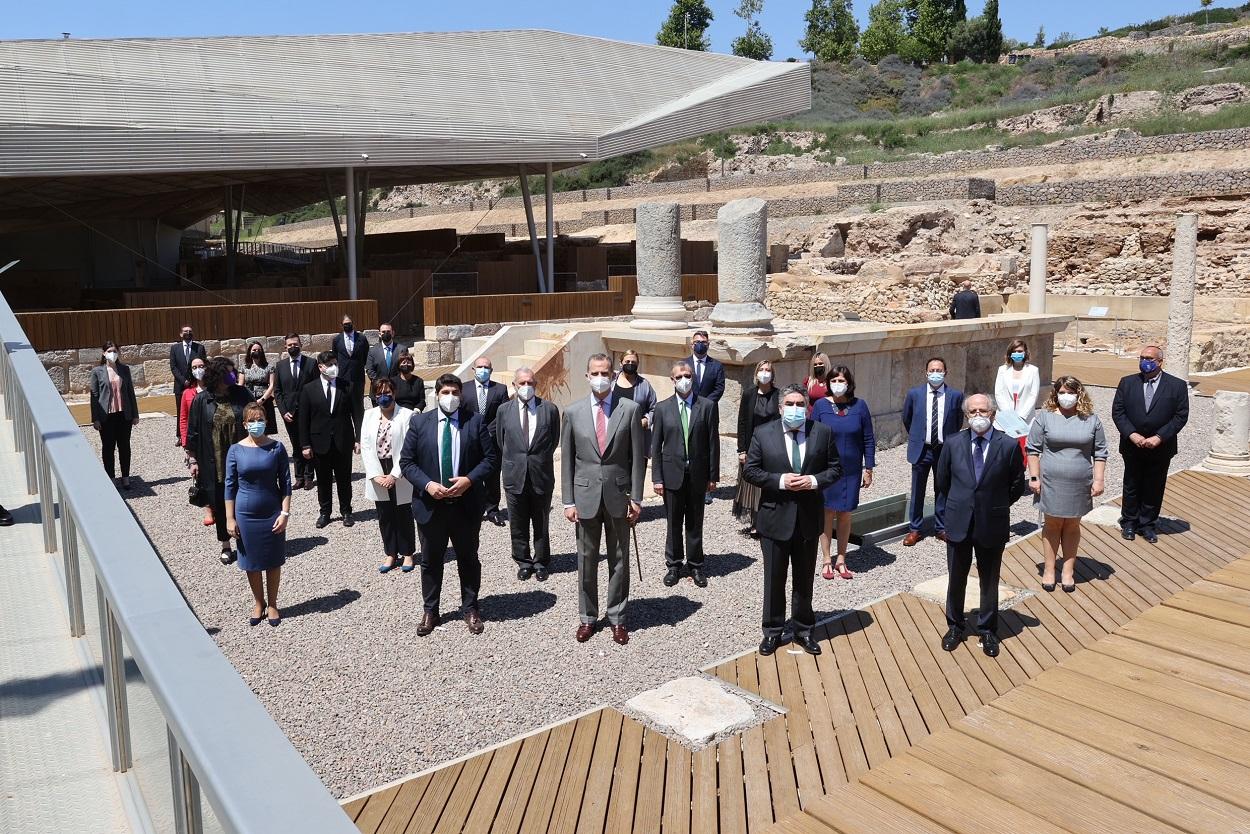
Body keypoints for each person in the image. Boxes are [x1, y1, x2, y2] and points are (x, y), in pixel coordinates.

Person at [743, 384, 842, 657]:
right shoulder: (764, 434)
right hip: (775, 518)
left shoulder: (822, 433)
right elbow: (750, 471)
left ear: (808, 408)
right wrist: (780, 481)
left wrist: (813, 481)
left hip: (808, 519)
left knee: (804, 579)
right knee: (774, 579)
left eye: (801, 404)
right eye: (790, 404)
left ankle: (803, 629)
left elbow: (835, 469)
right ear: (780, 407)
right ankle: (773, 631)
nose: (796, 409)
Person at [400, 374, 499, 637]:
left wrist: (469, 479)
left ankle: (471, 608)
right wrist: (428, 485)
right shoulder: (420, 422)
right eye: (445, 392)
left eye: (455, 392)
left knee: (468, 558)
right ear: (437, 394)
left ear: (461, 395)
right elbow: (407, 463)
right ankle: (431, 610)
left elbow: (489, 459)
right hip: (431, 505)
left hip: (465, 506)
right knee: (431, 561)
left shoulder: (474, 422)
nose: (451, 397)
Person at [562, 354, 645, 646]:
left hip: (618, 495)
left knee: (620, 559)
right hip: (584, 496)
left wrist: (637, 497)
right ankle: (587, 617)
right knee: (586, 560)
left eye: (605, 372)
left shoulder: (630, 409)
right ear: (587, 376)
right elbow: (567, 461)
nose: (600, 377)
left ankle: (618, 618)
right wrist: (567, 501)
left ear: (613, 375)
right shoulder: (572, 412)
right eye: (595, 372)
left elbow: (637, 458)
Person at [936, 394, 1027, 658]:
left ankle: (987, 629)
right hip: (959, 521)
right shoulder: (953, 443)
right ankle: (955, 625)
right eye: (973, 411)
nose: (978, 415)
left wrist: (994, 504)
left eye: (983, 411)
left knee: (989, 580)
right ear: (966, 415)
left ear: (993, 413)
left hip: (992, 521)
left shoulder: (1008, 445)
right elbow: (943, 481)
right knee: (956, 577)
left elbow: (1015, 485)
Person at [1027, 376, 1108, 593]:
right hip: (1051, 481)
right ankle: (1050, 569)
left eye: (1070, 392)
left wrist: (1099, 479)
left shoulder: (1091, 420)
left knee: (1072, 525)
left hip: (1080, 481)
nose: (1066, 397)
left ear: (1079, 394)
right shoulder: (1044, 417)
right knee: (1052, 524)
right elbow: (1032, 449)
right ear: (1055, 394)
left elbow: (1100, 452)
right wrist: (1034, 477)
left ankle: (1068, 570)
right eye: (1061, 392)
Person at [1111, 345, 1189, 544]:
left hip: (1160, 446)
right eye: (1142, 357)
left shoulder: (1176, 386)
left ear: (1160, 362)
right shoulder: (1127, 383)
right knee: (1131, 483)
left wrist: (1159, 437)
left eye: (1149, 358)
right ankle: (1129, 521)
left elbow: (1180, 416)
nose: (1144, 361)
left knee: (1154, 485)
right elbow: (1118, 412)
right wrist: (1132, 434)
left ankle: (1148, 524)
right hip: (1132, 445)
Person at [652, 360, 720, 588]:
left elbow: (713, 442)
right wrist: (657, 477)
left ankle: (696, 565)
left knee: (694, 522)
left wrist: (713, 475)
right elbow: (656, 446)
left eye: (688, 375)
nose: (684, 380)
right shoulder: (662, 409)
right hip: (672, 474)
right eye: (679, 376)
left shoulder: (707, 406)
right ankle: (674, 564)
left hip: (698, 475)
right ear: (672, 380)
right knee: (673, 521)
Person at [225, 402, 292, 627]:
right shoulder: (235, 450)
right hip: (245, 513)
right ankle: (258, 601)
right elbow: (229, 485)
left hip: (272, 511)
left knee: (273, 560)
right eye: (251, 421)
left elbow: (286, 483)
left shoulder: (277, 448)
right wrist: (229, 518)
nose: (256, 424)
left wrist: (285, 513)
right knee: (251, 561)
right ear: (244, 424)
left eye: (260, 419)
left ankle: (273, 603)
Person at [186, 357, 253, 564]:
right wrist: (192, 459)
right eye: (229, 372)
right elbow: (193, 432)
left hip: (242, 457)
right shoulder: (202, 399)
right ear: (218, 375)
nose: (233, 375)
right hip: (214, 461)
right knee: (221, 502)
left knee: (245, 499)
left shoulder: (242, 394)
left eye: (234, 372)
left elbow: (255, 417)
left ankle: (246, 539)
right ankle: (225, 544)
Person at [495, 367, 560, 581]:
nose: (526, 387)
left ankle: (541, 561)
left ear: (536, 385)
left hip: (541, 475)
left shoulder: (549, 409)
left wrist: (537, 460)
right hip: (515, 476)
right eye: (521, 383)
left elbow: (553, 440)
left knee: (541, 522)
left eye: (530, 383)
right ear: (514, 385)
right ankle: (523, 561)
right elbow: (501, 441)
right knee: (518, 522)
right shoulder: (504, 410)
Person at [811, 366, 875, 581]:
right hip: (826, 468)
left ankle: (841, 559)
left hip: (851, 470)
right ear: (828, 383)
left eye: (842, 380)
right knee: (827, 513)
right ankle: (827, 560)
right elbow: (812, 436)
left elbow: (868, 438)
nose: (838, 384)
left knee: (846, 513)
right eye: (834, 380)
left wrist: (869, 468)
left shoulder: (860, 406)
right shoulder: (820, 406)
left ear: (849, 383)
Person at [901, 357, 965, 546]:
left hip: (944, 450)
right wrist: (918, 437)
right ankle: (915, 529)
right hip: (922, 449)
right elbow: (907, 418)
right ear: (926, 372)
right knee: (917, 491)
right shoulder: (915, 394)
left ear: (946, 372)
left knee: (943, 489)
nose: (935, 373)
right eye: (932, 370)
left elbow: (957, 421)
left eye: (939, 370)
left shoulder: (955, 395)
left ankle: (941, 527)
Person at [298, 351, 362, 529]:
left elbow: (357, 414)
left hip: (343, 440)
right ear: (320, 367)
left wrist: (358, 438)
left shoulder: (347, 386)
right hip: (319, 443)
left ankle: (346, 511)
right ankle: (325, 512)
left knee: (344, 479)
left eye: (335, 363)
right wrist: (305, 444)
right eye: (330, 364)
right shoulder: (309, 389)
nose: (334, 367)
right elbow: (303, 420)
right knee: (324, 480)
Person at [360, 379, 416, 574]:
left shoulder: (407, 415)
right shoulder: (369, 415)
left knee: (403, 512)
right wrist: (375, 475)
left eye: (387, 392)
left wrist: (394, 474)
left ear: (394, 393)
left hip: (399, 468)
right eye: (379, 393)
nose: (384, 396)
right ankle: (390, 552)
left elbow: (408, 447)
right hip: (378, 469)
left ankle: (408, 552)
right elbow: (366, 446)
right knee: (384, 514)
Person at [734, 360, 780, 539]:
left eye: (768, 370)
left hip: (773, 446)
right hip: (753, 446)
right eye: (762, 369)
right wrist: (741, 449)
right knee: (752, 486)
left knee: (771, 484)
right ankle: (755, 522)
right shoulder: (749, 394)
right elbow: (743, 422)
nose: (765, 373)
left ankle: (770, 520)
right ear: (756, 373)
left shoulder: (779, 395)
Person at [461, 356, 508, 526]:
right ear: (473, 369)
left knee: (493, 476)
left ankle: (493, 510)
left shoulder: (500, 389)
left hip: (492, 440)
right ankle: (472, 509)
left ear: (491, 370)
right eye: (479, 366)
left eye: (486, 367)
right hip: (470, 440)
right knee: (470, 474)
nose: (483, 369)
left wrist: (488, 431)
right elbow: (461, 414)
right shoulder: (464, 389)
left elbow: (503, 414)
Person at [89, 341, 140, 489]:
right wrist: (96, 418)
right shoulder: (97, 371)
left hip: (124, 415)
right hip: (107, 416)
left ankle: (125, 478)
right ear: (104, 353)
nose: (113, 353)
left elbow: (130, 392)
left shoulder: (124, 369)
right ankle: (111, 478)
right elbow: (94, 397)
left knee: (124, 447)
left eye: (115, 351)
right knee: (108, 447)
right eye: (110, 351)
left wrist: (135, 414)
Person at [273, 334, 318, 490]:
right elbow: (277, 392)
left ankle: (309, 477)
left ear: (301, 344)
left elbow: (316, 387)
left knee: (308, 443)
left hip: (308, 412)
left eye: (295, 344)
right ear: (285, 347)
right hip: (289, 414)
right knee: (296, 445)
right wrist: (283, 411)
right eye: (289, 345)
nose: (293, 347)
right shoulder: (280, 366)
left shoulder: (311, 363)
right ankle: (298, 477)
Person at [687, 330, 724, 506]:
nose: (700, 344)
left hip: (709, 412)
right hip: (688, 410)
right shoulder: (684, 364)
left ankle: (708, 487)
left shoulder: (716, 366)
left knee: (709, 447)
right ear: (691, 344)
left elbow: (719, 388)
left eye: (703, 341)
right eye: (697, 341)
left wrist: (705, 404)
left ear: (708, 344)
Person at [179, 356, 214, 527]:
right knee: (200, 475)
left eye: (201, 366)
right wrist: (186, 444)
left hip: (213, 437)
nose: (198, 369)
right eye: (195, 367)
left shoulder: (215, 389)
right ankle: (208, 508)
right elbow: (183, 419)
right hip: (196, 440)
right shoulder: (187, 393)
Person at [993, 339, 1040, 453]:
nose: (1017, 354)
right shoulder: (1002, 370)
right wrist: (1009, 416)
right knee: (1003, 449)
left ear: (1025, 353)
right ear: (1010, 353)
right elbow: (998, 392)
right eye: (1014, 351)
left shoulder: (1033, 370)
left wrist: (1021, 416)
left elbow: (1033, 395)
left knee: (1022, 450)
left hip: (1025, 416)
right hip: (1005, 416)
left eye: (1020, 351)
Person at [169, 324, 207, 444]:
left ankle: (198, 432)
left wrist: (194, 381)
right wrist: (184, 381)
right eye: (185, 331)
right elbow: (173, 367)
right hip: (180, 386)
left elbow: (203, 365)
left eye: (190, 331)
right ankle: (180, 436)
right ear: (181, 334)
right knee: (182, 412)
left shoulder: (199, 348)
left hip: (197, 384)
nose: (188, 333)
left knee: (198, 408)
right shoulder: (175, 348)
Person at [612, 349, 657, 447]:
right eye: (627, 362)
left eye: (633, 362)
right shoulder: (611, 382)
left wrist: (646, 420)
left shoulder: (644, 385)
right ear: (620, 363)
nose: (630, 364)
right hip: (613, 434)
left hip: (636, 437)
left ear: (638, 364)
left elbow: (654, 408)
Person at [332, 314, 370, 430]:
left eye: (349, 324)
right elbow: (335, 357)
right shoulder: (337, 340)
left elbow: (366, 356)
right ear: (341, 325)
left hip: (357, 379)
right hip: (342, 379)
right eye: (345, 324)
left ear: (353, 324)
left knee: (358, 409)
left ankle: (360, 436)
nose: (347, 326)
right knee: (343, 408)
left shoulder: (362, 338)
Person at [241, 340, 277, 435]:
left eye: (258, 349)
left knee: (264, 427)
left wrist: (262, 399)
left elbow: (272, 385)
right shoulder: (244, 367)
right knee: (250, 426)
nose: (256, 351)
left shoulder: (269, 367)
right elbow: (241, 385)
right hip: (248, 400)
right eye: (254, 350)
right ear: (250, 352)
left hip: (264, 400)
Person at [365, 322, 402, 405]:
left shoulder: (401, 349)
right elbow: (369, 370)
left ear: (393, 333)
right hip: (378, 391)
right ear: (379, 334)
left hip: (397, 391)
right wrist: (382, 384)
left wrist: (393, 384)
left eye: (388, 332)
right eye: (383, 332)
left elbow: (403, 370)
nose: (386, 334)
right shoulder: (372, 351)